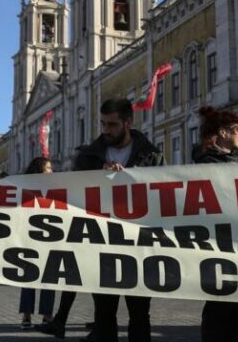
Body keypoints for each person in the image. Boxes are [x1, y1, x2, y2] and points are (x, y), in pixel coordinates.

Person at [74, 98, 163, 342]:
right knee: (103, 314)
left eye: (112, 125)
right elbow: (72, 190)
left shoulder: (151, 154)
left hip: (138, 246)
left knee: (139, 314)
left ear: (127, 123)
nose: (105, 130)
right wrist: (97, 173)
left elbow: (160, 196)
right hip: (101, 245)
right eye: (103, 124)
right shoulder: (88, 157)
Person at [192, 106, 238, 342]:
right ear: (224, 133)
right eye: (237, 130)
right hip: (220, 248)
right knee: (220, 312)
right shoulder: (208, 166)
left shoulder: (233, 163)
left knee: (237, 312)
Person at [18, 157, 56, 330]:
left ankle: (47, 315)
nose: (51, 172)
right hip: (31, 238)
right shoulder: (26, 188)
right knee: (30, 278)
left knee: (49, 277)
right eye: (48, 168)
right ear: (39, 170)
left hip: (51, 237)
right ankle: (27, 314)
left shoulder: (56, 188)